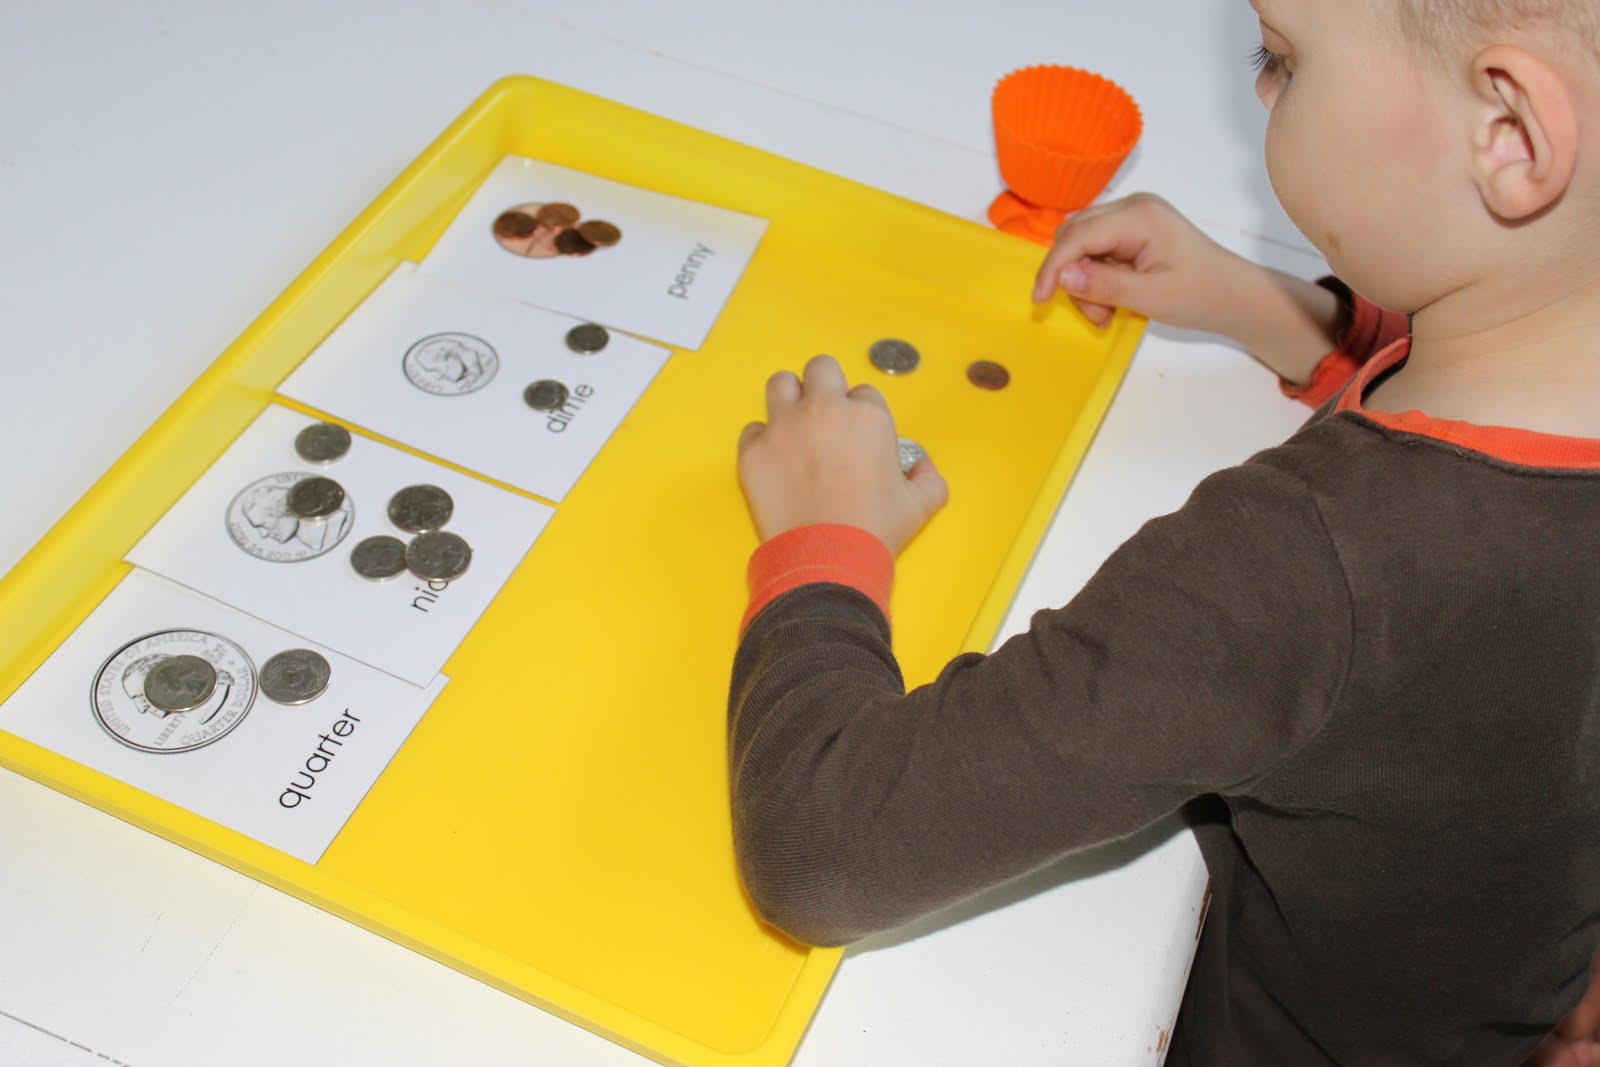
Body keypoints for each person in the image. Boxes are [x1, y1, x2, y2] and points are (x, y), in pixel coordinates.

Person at [728, 1, 1600, 1062]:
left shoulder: (1299, 563)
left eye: (1278, 57)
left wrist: (825, 536)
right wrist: (1273, 312)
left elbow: (826, 845)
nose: (1258, 91)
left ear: (1509, 133)